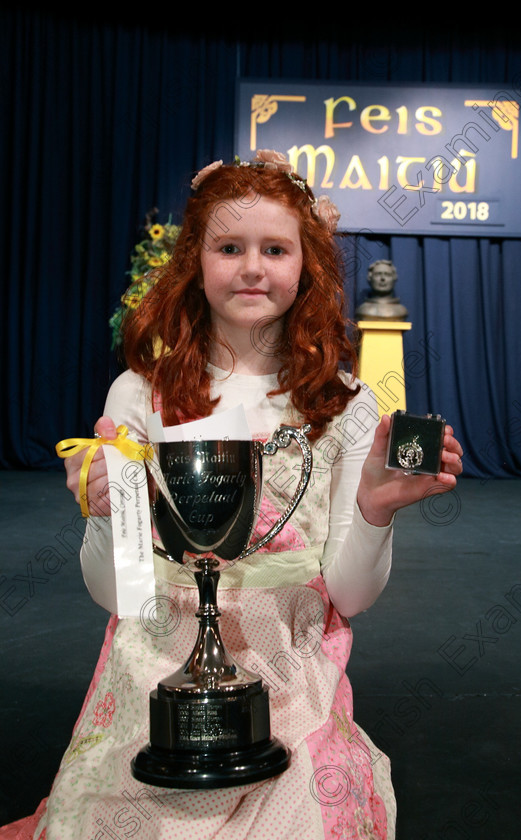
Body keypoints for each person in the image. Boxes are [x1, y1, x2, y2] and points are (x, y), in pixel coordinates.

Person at [3, 150, 462, 840]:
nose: (253, 267)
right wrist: (102, 515)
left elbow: (352, 595)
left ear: (306, 263)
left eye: (275, 248)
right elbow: (122, 595)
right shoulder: (139, 394)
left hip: (289, 670)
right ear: (196, 260)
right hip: (156, 667)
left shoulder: (347, 405)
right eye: (230, 247)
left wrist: (374, 509)